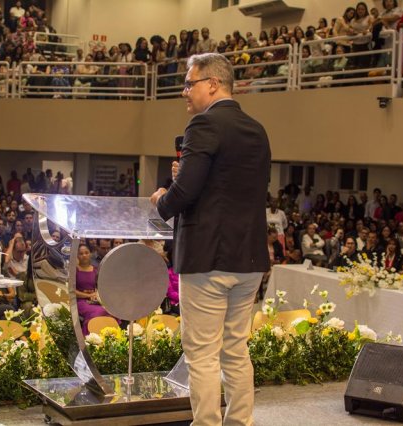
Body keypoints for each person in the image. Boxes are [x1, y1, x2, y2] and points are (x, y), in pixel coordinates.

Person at [151, 53, 270, 426]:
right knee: (235, 350)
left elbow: (183, 195)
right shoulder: (257, 130)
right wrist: (186, 173)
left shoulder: (203, 124)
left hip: (208, 258)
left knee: (201, 354)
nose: (184, 92)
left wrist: (162, 199)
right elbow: (231, 187)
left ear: (213, 84)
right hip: (248, 257)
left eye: (190, 83)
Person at [75, 243, 117, 335]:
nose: (84, 255)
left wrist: (97, 295)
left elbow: (102, 287)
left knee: (111, 310)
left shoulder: (96, 270)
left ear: (90, 254)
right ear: (77, 255)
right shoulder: (74, 271)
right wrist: (89, 295)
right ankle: (89, 337)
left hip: (96, 300)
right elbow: (72, 291)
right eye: (81, 253)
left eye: (86, 253)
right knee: (100, 311)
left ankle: (108, 337)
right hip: (81, 301)